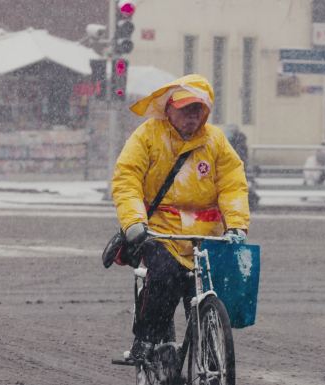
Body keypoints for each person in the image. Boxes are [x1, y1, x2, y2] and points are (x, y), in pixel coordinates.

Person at [111, 74, 250, 361]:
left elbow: (232, 184)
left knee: (206, 292)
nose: (192, 116)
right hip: (162, 232)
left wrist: (236, 224)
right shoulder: (148, 136)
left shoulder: (216, 142)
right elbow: (127, 179)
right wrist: (134, 221)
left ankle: (208, 349)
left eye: (197, 109)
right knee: (164, 276)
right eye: (185, 108)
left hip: (206, 237)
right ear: (169, 108)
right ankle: (146, 340)